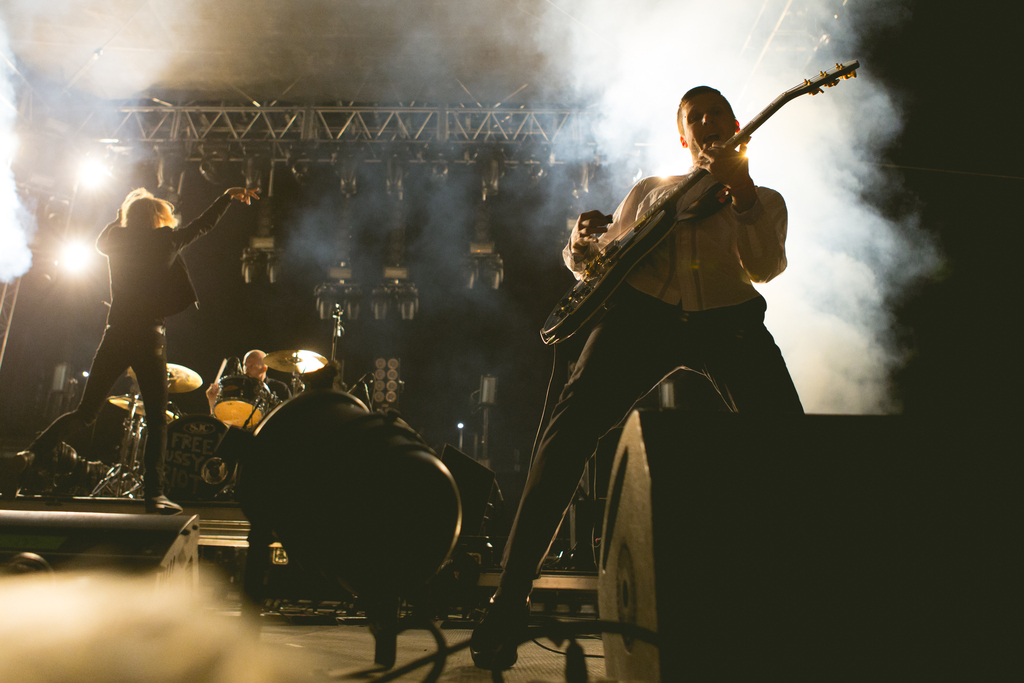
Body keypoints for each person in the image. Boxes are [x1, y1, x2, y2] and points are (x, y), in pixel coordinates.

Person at [470, 86, 804, 670]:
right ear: (682, 136)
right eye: (692, 118)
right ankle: (511, 595)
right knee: (568, 428)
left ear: (734, 124)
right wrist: (577, 245)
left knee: (788, 441)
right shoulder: (651, 191)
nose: (704, 123)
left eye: (713, 114)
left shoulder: (761, 198)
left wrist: (742, 190)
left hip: (727, 319)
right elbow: (601, 260)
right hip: (640, 316)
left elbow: (767, 266)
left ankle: (800, 588)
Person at [0, 185, 259, 513]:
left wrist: (126, 210)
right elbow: (202, 225)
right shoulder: (163, 241)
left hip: (115, 334)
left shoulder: (114, 241)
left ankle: (29, 456)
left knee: (86, 412)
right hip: (148, 337)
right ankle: (154, 494)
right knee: (157, 420)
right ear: (156, 218)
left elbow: (105, 235)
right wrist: (226, 197)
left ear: (127, 218)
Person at [205, 349, 291, 425]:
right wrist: (212, 400)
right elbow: (226, 422)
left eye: (251, 366)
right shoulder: (240, 388)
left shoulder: (280, 388)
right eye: (244, 365)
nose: (246, 369)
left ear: (264, 368)